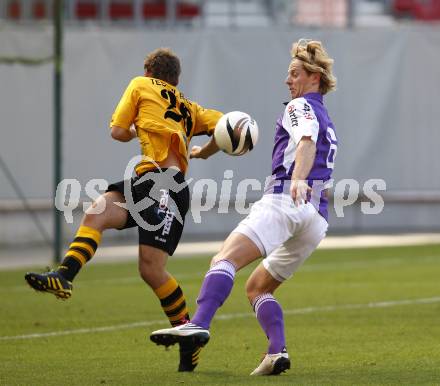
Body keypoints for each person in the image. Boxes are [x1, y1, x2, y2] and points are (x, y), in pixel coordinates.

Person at [24, 48, 223, 372]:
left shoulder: (140, 85)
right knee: (98, 213)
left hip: (165, 188)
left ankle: (190, 334)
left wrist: (135, 130)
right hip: (149, 182)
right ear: (176, 79)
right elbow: (228, 126)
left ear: (149, 73)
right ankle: (64, 275)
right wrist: (205, 153)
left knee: (150, 269)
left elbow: (117, 131)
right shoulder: (190, 107)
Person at [150, 39, 338, 376]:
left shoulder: (299, 108)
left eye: (294, 73)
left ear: (313, 77)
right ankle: (276, 352)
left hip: (286, 200)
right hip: (315, 219)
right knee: (258, 287)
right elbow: (310, 143)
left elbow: (306, 143)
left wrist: (297, 177)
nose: (288, 80)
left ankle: (199, 323)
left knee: (224, 259)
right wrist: (205, 152)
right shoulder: (324, 113)